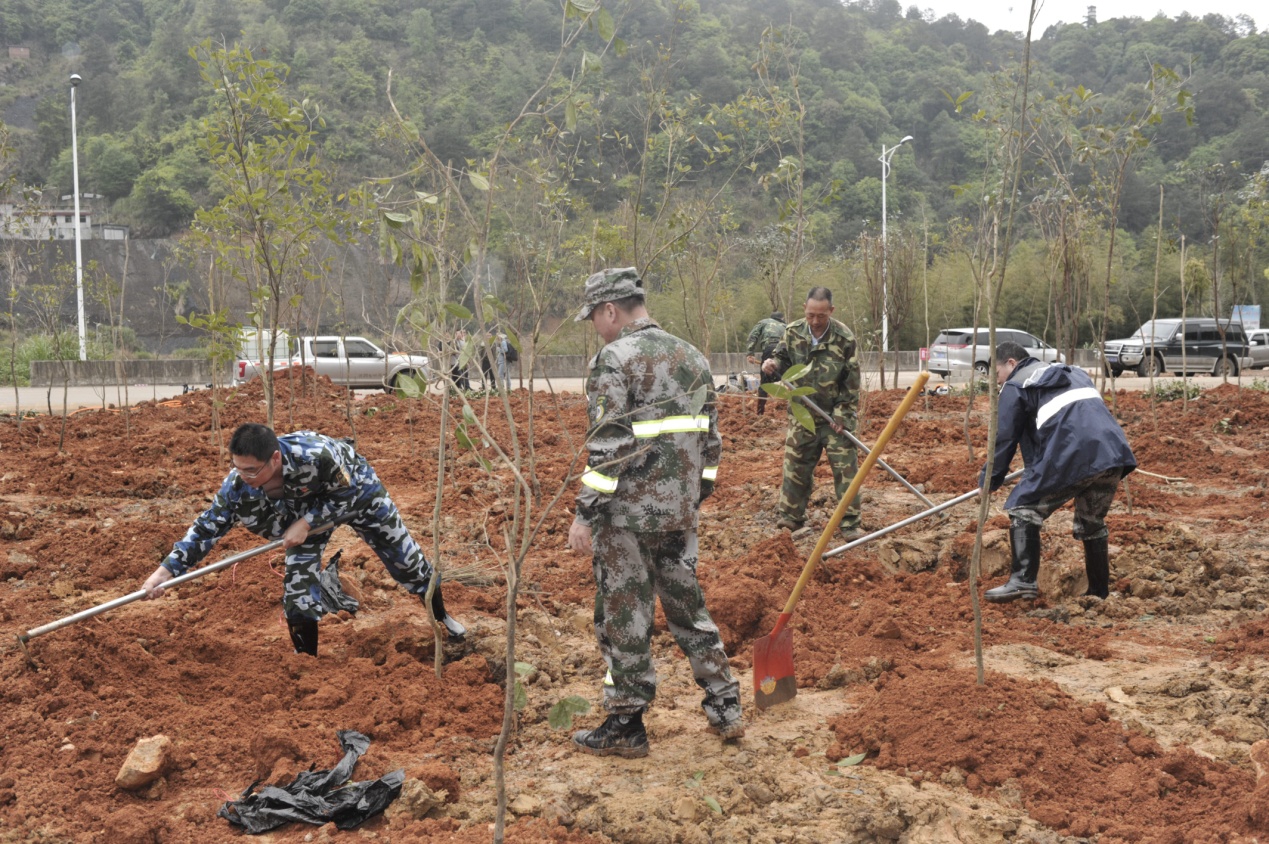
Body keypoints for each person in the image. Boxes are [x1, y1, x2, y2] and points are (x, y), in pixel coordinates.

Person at [566, 267, 742, 758]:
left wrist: (585, 514)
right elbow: (711, 443)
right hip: (679, 513)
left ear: (610, 310)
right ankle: (725, 702)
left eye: (595, 318)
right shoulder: (693, 356)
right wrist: (690, 501)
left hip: (626, 518)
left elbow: (610, 445)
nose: (596, 329)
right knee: (688, 605)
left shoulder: (613, 359)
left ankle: (626, 723)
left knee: (625, 614)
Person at [141, 424, 466, 656]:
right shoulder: (238, 486)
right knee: (298, 595)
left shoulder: (316, 456)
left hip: (357, 496)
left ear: (275, 460)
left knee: (408, 563)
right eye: (238, 469)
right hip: (300, 522)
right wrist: (165, 572)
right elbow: (205, 529)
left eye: (252, 470)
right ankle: (306, 662)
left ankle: (444, 619)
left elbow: (350, 494)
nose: (244, 477)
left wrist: (308, 521)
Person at [981, 341, 1137, 602]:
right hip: (1112, 453)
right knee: (1091, 523)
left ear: (1011, 363)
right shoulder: (1072, 371)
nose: (998, 383)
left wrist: (990, 479)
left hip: (1073, 453)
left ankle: (1022, 581)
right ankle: (1098, 593)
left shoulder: (1016, 382)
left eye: (997, 375)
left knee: (1023, 507)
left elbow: (1004, 438)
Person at [761, 287, 863, 537]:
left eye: (821, 316)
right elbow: (781, 360)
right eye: (810, 315)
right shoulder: (793, 331)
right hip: (802, 413)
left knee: (845, 469)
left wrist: (843, 414)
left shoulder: (844, 338)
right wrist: (772, 364)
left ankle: (849, 523)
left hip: (834, 416)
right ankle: (791, 518)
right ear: (804, 310)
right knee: (796, 466)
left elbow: (851, 382)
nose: (815, 322)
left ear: (831, 311)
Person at [746, 310, 786, 415]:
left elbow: (752, 336)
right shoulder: (786, 326)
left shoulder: (764, 322)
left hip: (770, 349)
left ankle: (760, 413)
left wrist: (750, 353)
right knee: (787, 380)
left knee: (764, 383)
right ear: (782, 318)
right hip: (785, 350)